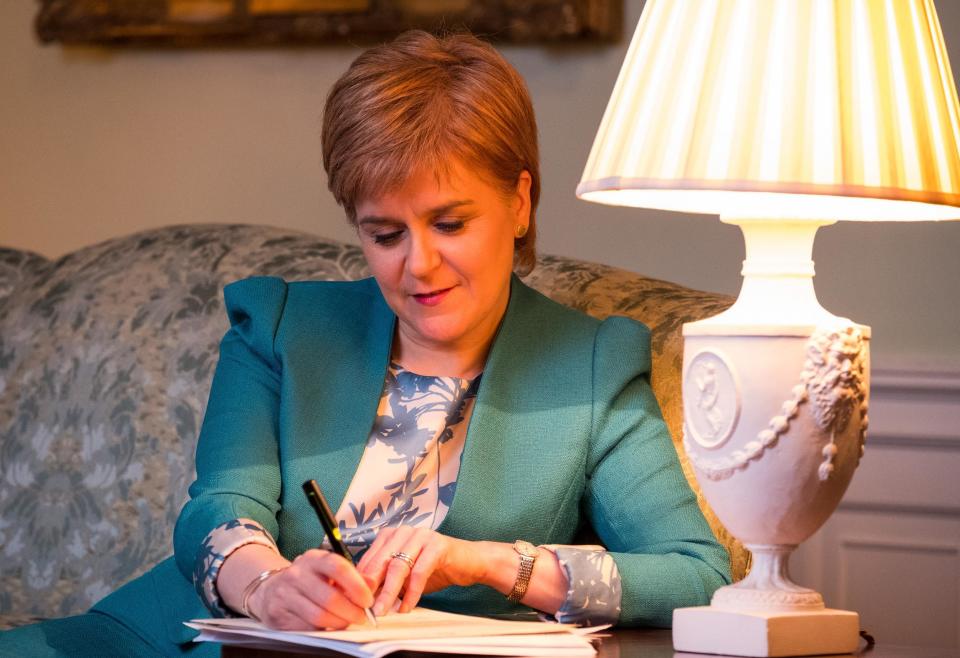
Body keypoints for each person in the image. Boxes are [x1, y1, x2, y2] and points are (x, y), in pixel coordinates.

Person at [0, 30, 730, 657]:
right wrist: (267, 584)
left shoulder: (591, 366)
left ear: (518, 201)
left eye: (449, 224)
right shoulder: (282, 326)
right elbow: (216, 509)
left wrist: (484, 563)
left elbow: (698, 575)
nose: (417, 264)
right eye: (385, 233)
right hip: (177, 642)